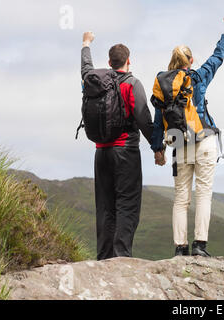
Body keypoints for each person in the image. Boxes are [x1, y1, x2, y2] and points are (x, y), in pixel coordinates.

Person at [151, 17, 224, 257]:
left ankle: (180, 249)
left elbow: (159, 120)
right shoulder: (197, 78)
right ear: (191, 61)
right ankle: (200, 246)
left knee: (181, 199)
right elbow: (217, 58)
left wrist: (158, 149)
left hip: (179, 144)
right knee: (204, 193)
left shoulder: (164, 86)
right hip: (204, 140)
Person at [81, 31, 154, 260]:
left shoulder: (94, 82)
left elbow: (84, 68)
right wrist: (158, 147)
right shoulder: (132, 83)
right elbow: (143, 118)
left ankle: (103, 257)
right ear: (128, 61)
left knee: (104, 206)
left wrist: (86, 44)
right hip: (126, 152)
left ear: (109, 62)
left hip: (101, 153)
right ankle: (121, 257)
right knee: (127, 205)